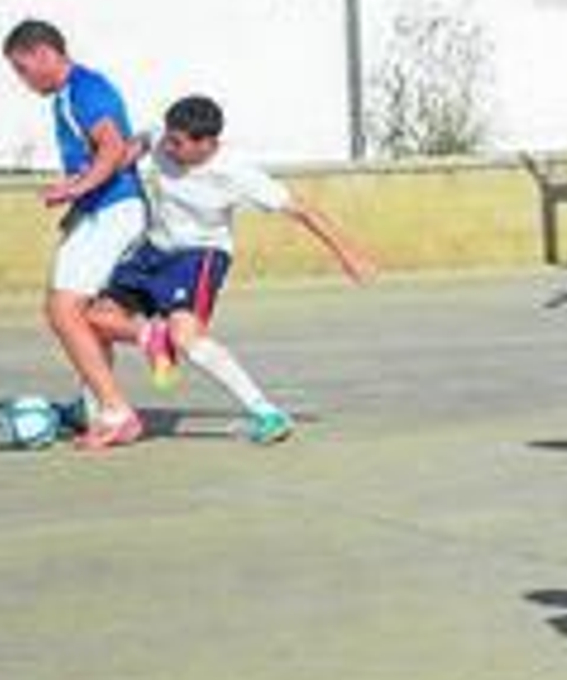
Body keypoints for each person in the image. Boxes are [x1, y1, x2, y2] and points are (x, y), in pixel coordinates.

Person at [83, 94, 376, 445]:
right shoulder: (161, 135)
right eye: (168, 139)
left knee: (186, 339)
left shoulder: (236, 172)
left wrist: (348, 254)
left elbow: (303, 210)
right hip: (152, 250)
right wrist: (113, 166)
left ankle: (267, 413)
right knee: (93, 319)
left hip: (199, 256)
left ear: (207, 143)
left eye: (178, 143)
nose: (169, 148)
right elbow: (138, 143)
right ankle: (102, 403)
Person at [2, 19, 148, 450]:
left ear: (45, 54)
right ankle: (94, 406)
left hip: (113, 210)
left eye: (22, 68)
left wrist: (76, 190)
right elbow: (109, 151)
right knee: (83, 314)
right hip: (101, 210)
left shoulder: (84, 89)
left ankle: (118, 411)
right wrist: (78, 204)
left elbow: (112, 146)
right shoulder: (71, 94)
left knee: (63, 310)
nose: (22, 80)